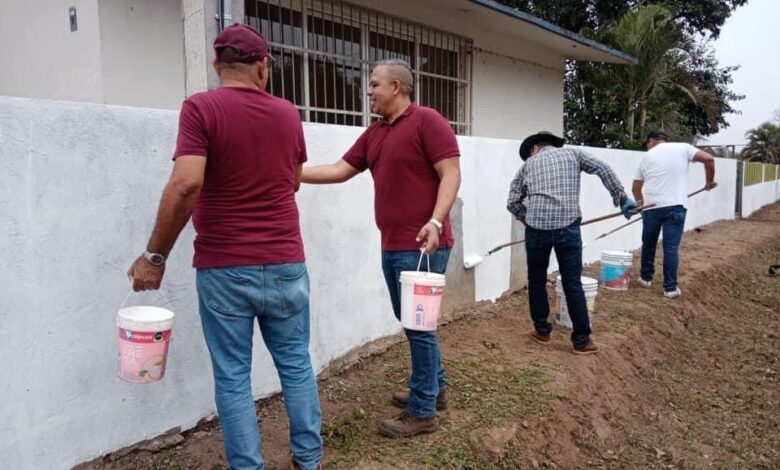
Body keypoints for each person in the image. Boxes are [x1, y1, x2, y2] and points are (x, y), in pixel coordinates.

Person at [126, 23, 322, 470]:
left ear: (217, 64)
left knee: (234, 376)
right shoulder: (289, 113)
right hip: (286, 262)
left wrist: (154, 257)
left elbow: (186, 184)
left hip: (225, 266)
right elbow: (292, 182)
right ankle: (308, 461)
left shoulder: (200, 108)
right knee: (295, 363)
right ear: (263, 67)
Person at [301, 59, 461, 438]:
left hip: (424, 244)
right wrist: (292, 174)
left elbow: (450, 173)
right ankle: (434, 390)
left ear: (397, 87)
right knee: (412, 323)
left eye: (374, 84)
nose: (368, 91)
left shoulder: (428, 121)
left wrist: (436, 221)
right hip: (392, 245)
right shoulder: (374, 133)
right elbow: (341, 170)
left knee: (418, 327)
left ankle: (422, 411)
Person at [507, 131, 637, 355]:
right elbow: (602, 169)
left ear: (534, 148)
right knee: (572, 282)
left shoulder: (527, 166)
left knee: (536, 280)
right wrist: (621, 196)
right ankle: (582, 341)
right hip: (568, 228)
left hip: (537, 230)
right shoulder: (573, 155)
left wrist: (527, 218)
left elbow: (512, 201)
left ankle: (542, 331)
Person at [632, 131, 717, 298]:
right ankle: (670, 288)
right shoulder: (683, 148)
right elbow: (709, 159)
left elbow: (635, 188)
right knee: (670, 247)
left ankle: (645, 278)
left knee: (648, 243)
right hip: (675, 207)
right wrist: (709, 181)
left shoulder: (646, 157)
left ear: (650, 141)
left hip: (651, 208)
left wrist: (640, 206)